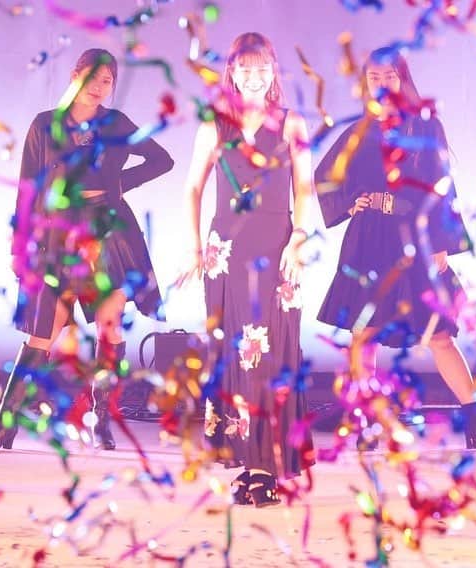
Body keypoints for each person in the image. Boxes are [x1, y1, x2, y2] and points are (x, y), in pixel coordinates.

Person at [315, 48, 476, 451]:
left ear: (402, 78)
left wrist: (443, 243)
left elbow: (443, 185)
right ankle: (367, 421)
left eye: (389, 75)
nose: (382, 83)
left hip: (416, 240)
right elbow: (325, 177)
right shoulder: (358, 131)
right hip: (369, 242)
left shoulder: (426, 126)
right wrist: (351, 202)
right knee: (364, 335)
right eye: (374, 77)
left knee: (440, 335)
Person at [0, 48, 173, 452]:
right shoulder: (46, 124)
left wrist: (118, 185)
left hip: (108, 233)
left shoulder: (115, 123)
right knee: (42, 333)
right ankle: (4, 426)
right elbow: (28, 189)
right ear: (74, 75)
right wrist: (19, 246)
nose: (99, 87)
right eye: (93, 77)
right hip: (59, 237)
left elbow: (161, 160)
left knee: (109, 327)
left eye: (107, 81)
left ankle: (102, 422)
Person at [178, 32, 314, 506]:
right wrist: (194, 247)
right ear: (232, 73)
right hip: (227, 250)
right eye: (245, 69)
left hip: (277, 245)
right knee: (235, 357)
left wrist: (299, 239)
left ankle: (267, 465)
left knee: (271, 355)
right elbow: (193, 188)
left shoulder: (292, 122)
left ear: (273, 72)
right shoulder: (214, 124)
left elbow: (305, 188)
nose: (254, 77)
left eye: (262, 68)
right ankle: (250, 462)